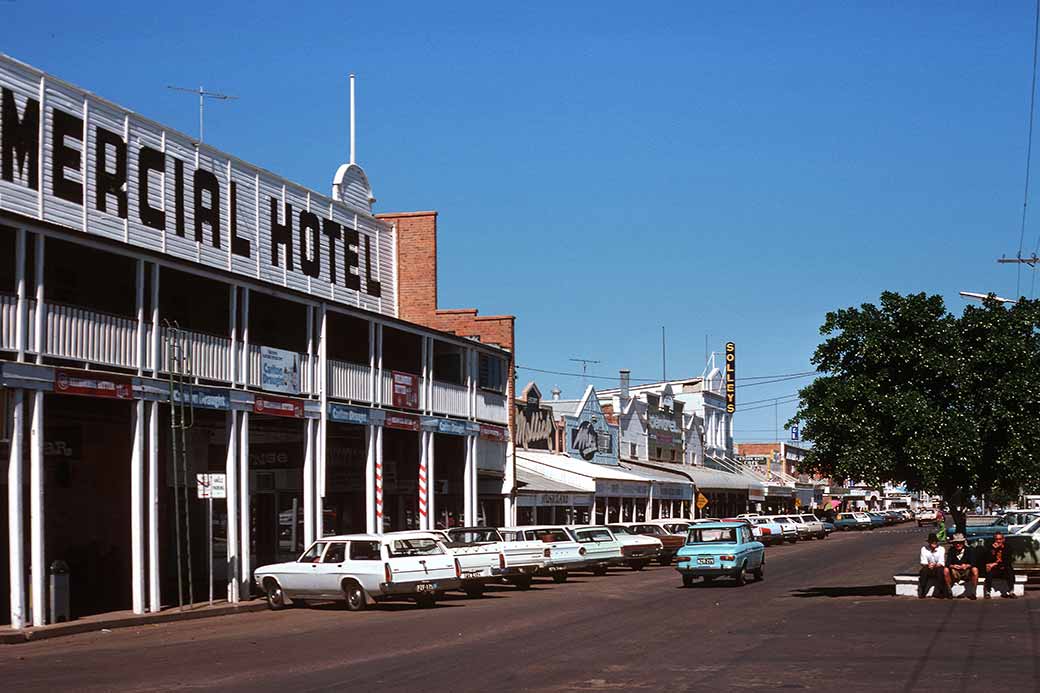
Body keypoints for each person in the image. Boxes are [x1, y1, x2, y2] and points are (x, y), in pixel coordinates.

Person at [982, 532, 1017, 599]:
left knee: (1009, 570)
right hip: (994, 568)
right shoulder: (990, 547)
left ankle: (1011, 591)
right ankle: (988, 592)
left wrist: (995, 563)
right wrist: (994, 549)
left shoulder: (1007, 547)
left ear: (1003, 539)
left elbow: (1007, 560)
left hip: (1003, 567)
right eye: (996, 539)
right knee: (989, 572)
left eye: (1000, 539)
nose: (998, 541)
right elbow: (987, 559)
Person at [944, 533, 978, 599]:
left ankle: (973, 593)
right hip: (955, 572)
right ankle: (949, 592)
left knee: (975, 569)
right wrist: (953, 566)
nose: (958, 545)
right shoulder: (951, 550)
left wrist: (967, 565)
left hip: (966, 572)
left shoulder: (969, 550)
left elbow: (974, 562)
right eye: (956, 543)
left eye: (960, 543)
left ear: (963, 542)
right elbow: (947, 563)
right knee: (945, 570)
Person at [919, 532, 949, 599]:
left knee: (940, 571)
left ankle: (941, 591)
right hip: (928, 566)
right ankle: (923, 590)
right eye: (932, 542)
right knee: (924, 571)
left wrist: (935, 565)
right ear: (929, 542)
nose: (934, 543)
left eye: (935, 542)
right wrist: (928, 565)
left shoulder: (941, 549)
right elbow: (923, 561)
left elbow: (941, 562)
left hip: (937, 567)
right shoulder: (924, 549)